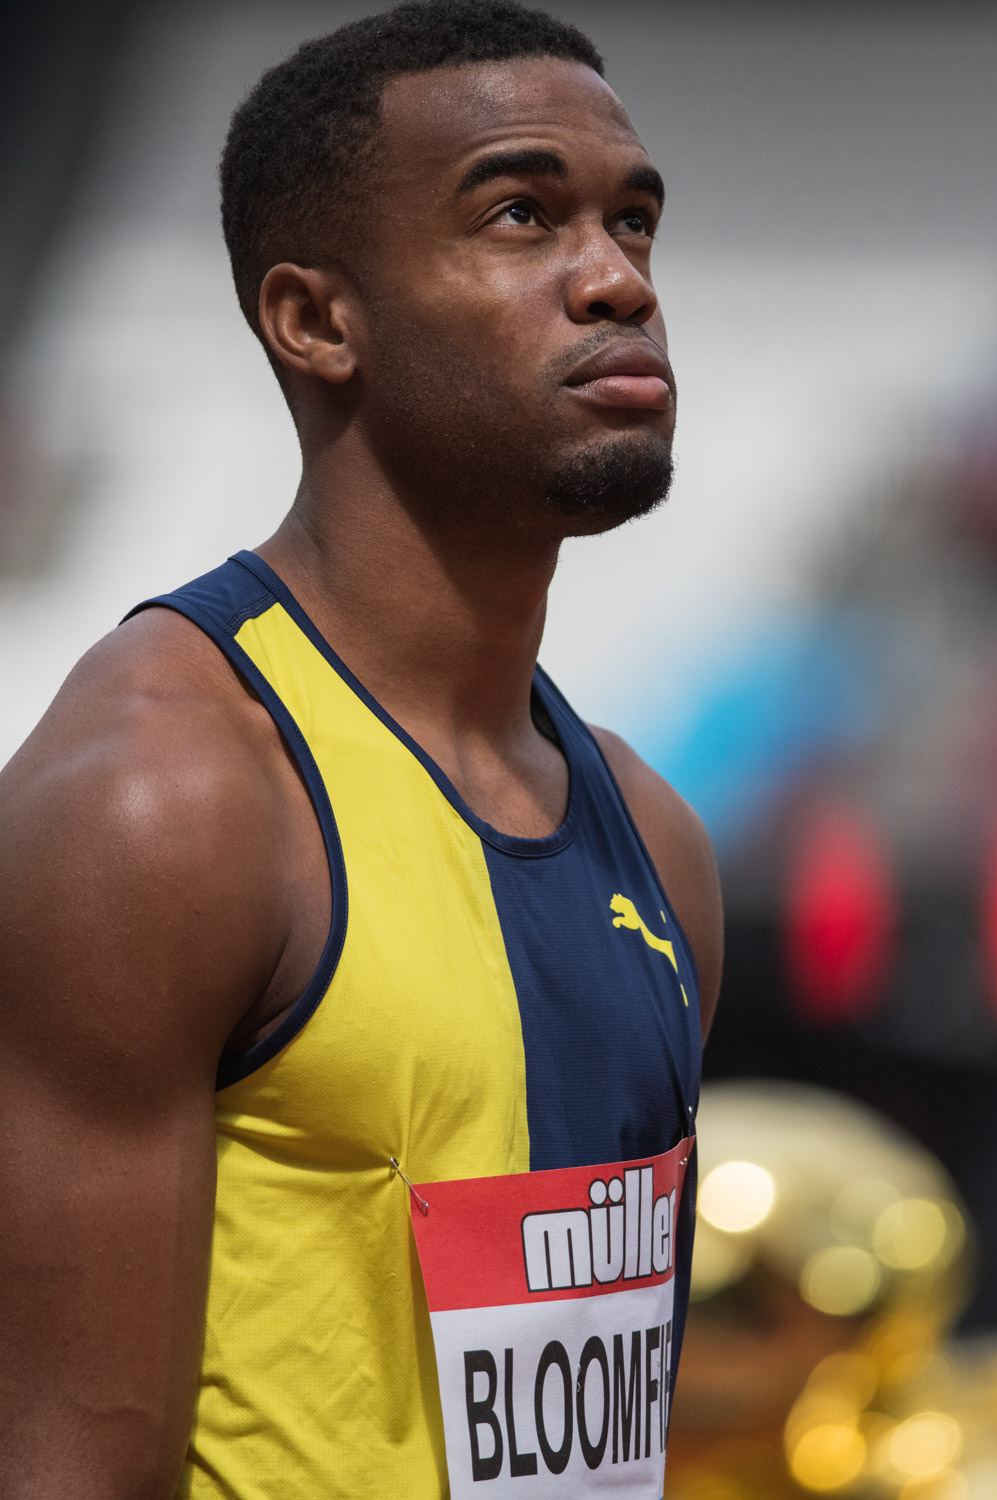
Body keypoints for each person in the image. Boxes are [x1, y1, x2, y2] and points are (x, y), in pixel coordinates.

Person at [0, 1, 723, 1495]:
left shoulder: (655, 842)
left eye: (633, 223)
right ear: (317, 320)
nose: (615, 282)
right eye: (523, 216)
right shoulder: (167, 799)